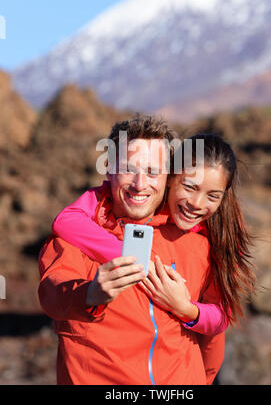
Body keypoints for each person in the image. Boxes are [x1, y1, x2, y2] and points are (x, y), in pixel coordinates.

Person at [38, 116, 254, 385]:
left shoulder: (196, 241)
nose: (140, 184)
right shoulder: (74, 237)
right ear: (109, 168)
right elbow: (51, 294)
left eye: (153, 171)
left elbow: (212, 340)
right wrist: (89, 295)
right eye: (129, 169)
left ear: (168, 177)